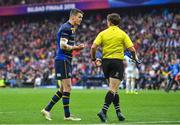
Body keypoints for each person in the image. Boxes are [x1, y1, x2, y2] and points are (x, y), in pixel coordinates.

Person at [91, 13, 141, 122]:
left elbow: (93, 47)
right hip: (116, 62)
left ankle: (118, 112)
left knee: (114, 90)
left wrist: (94, 59)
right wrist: (135, 58)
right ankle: (103, 111)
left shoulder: (102, 33)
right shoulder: (122, 34)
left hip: (105, 63)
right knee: (113, 89)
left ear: (109, 22)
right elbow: (132, 49)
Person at [41, 8, 84, 121]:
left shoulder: (71, 28)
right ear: (73, 17)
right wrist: (76, 47)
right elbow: (63, 45)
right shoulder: (66, 28)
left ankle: (46, 109)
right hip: (63, 59)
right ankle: (67, 116)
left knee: (62, 89)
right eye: (79, 17)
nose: (81, 20)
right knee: (68, 87)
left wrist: (75, 49)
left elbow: (66, 46)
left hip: (65, 60)